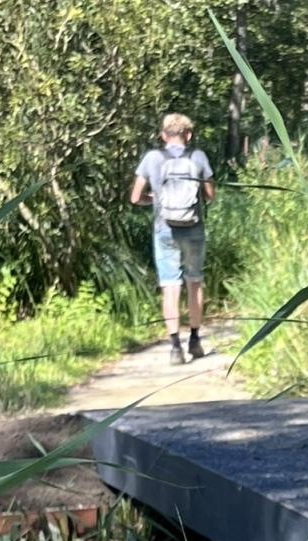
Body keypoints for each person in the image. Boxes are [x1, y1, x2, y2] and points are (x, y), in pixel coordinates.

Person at [130, 113, 216, 364]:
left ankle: (175, 347)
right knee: (194, 282)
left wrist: (153, 200)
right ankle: (195, 340)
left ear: (163, 136)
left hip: (164, 229)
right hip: (194, 228)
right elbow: (210, 195)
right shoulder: (198, 157)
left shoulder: (152, 158)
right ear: (188, 135)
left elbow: (135, 197)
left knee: (170, 286)